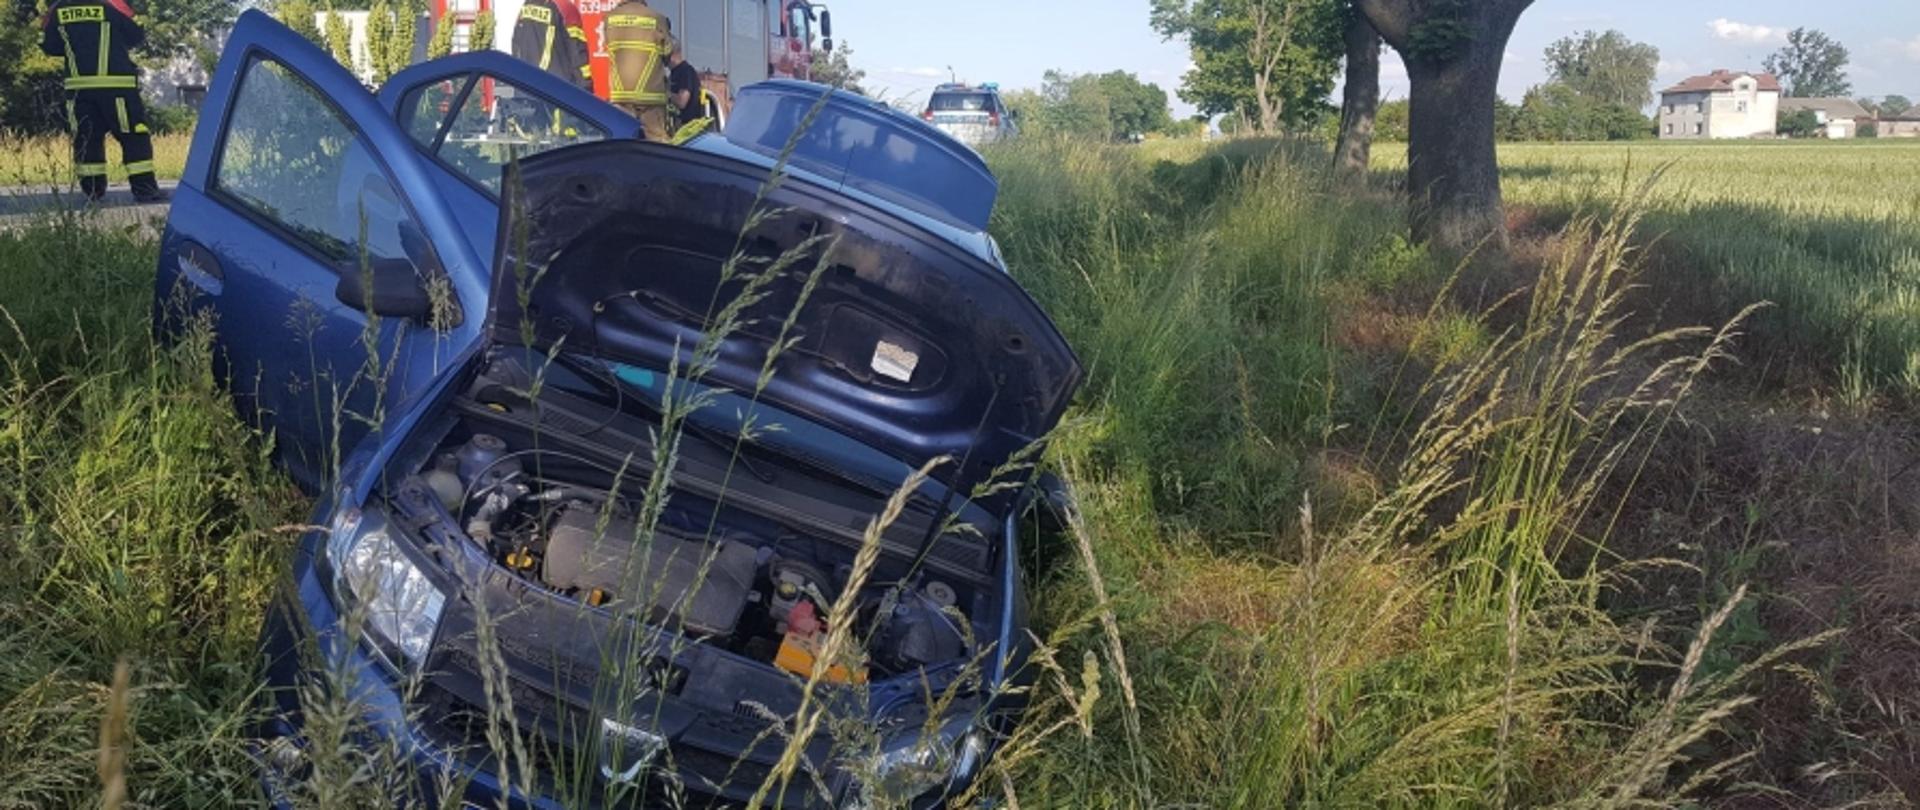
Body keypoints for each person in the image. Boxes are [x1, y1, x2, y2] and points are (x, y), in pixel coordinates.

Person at [39, 0, 166, 203]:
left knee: (87, 139)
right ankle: (145, 190)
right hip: (117, 86)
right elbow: (136, 35)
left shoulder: (58, 9)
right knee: (133, 136)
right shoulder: (113, 4)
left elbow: (50, 45)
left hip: (79, 89)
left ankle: (92, 193)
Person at [601, 0, 675, 140]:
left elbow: (608, 46)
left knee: (623, 143)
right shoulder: (657, 19)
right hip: (651, 98)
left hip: (621, 97)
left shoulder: (609, 19)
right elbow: (667, 53)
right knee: (657, 146)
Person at [510, 0, 591, 90]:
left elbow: (516, 43)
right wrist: (586, 90)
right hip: (557, 91)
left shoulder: (526, 6)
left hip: (526, 86)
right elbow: (578, 56)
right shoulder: (566, 8)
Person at [666, 45, 704, 129]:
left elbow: (682, 102)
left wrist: (665, 94)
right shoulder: (673, 73)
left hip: (688, 128)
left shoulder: (686, 71)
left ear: (672, 54)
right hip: (677, 126)